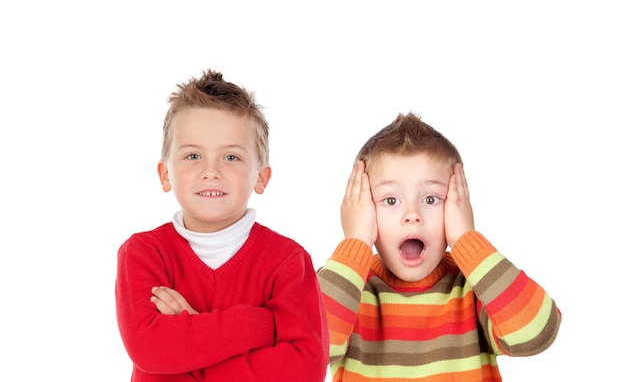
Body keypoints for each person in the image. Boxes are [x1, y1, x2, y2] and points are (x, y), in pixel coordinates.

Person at [115, 68, 329, 381]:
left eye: (230, 157)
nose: (211, 171)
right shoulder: (143, 254)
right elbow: (151, 350)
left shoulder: (288, 261)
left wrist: (188, 334)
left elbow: (304, 369)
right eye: (192, 156)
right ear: (164, 174)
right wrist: (259, 324)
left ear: (260, 177)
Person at [317, 112, 561, 381]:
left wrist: (466, 239)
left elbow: (536, 334)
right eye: (390, 200)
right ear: (361, 210)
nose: (412, 214)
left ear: (458, 206)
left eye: (431, 199)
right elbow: (313, 348)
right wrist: (356, 241)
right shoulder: (345, 286)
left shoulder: (476, 286)